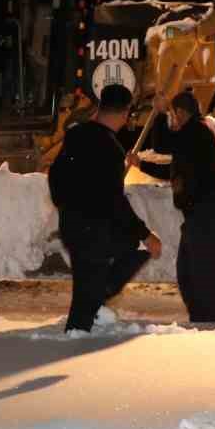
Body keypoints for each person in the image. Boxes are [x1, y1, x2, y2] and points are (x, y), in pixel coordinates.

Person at [48, 83, 162, 331]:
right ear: (124, 114)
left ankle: (92, 307)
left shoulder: (75, 135)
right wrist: (145, 234)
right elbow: (114, 201)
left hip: (73, 225)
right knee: (89, 293)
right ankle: (78, 337)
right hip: (95, 230)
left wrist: (67, 206)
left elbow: (55, 177)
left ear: (100, 107)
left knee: (89, 286)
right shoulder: (110, 148)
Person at [129, 91, 215, 325]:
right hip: (198, 218)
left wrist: (157, 114)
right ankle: (202, 323)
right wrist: (141, 164)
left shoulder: (198, 131)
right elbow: (172, 172)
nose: (173, 121)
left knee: (207, 279)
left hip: (209, 215)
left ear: (179, 113)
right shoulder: (190, 141)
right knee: (188, 277)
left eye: (173, 116)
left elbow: (163, 143)